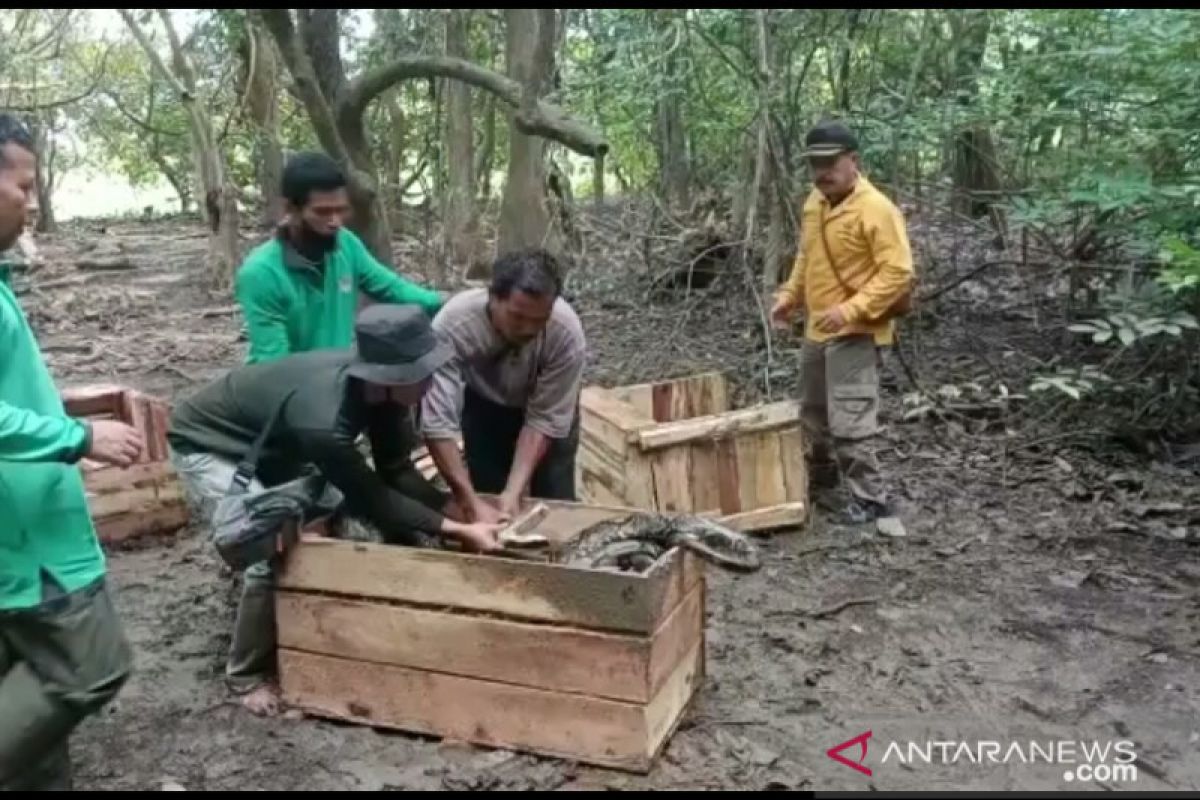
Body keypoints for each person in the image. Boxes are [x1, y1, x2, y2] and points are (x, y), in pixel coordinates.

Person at [166, 303, 504, 716]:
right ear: (390, 376)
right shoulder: (326, 421)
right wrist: (456, 529)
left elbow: (396, 471)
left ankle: (316, 611)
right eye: (423, 374)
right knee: (266, 551)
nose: (431, 382)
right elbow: (373, 497)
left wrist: (456, 509)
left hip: (275, 441)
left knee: (330, 512)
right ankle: (245, 676)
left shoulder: (385, 395)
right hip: (212, 444)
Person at [0, 112, 145, 789]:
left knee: (27, 717)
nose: (32, 204)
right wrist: (76, 436)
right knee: (92, 664)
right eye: (23, 187)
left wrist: (64, 441)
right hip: (32, 547)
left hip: (20, 530)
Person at [770, 120, 913, 531]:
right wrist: (789, 297)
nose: (821, 172)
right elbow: (807, 257)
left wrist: (851, 310)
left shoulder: (877, 209)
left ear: (853, 161)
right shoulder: (815, 202)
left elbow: (898, 272)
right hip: (818, 327)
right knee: (812, 412)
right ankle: (823, 482)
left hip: (858, 330)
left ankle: (871, 502)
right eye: (815, 164)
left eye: (830, 163)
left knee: (850, 416)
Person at [420, 249, 586, 525]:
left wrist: (514, 491)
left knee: (555, 501)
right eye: (518, 317)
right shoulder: (453, 325)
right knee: (487, 495)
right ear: (494, 297)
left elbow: (543, 421)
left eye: (539, 320)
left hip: (546, 410)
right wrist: (469, 500)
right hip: (485, 404)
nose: (528, 329)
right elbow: (437, 423)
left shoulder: (566, 334)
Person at [234, 151, 445, 364]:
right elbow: (273, 364)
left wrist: (445, 303)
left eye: (340, 210)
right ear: (290, 209)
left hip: (335, 376)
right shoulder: (262, 273)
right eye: (322, 212)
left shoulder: (346, 244)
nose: (335, 222)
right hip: (286, 387)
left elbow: (391, 288)